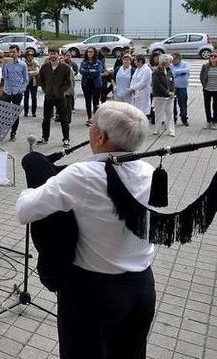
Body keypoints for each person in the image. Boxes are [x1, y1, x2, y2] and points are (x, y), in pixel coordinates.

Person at [16, 101, 156, 359]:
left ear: (101, 137)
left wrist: (33, 187)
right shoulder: (149, 171)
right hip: (141, 288)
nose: (90, 127)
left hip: (93, 292)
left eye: (92, 123)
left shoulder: (82, 175)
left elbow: (24, 210)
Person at [36, 48, 72, 146]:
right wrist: (45, 89)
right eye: (51, 54)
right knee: (46, 118)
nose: (53, 56)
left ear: (58, 54)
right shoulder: (44, 67)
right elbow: (41, 80)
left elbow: (68, 83)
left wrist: (60, 91)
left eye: (55, 54)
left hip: (60, 97)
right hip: (48, 97)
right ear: (49, 55)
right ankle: (45, 137)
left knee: (64, 119)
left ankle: (66, 139)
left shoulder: (65, 67)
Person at [1, 45, 29, 141]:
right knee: (3, 113)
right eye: (10, 52)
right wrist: (3, 65)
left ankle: (13, 133)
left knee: (15, 114)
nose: (11, 54)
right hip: (7, 91)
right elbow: (4, 77)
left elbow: (26, 79)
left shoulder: (22, 65)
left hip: (17, 92)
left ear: (18, 52)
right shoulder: (7, 64)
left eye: (13, 52)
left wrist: (21, 90)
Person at [200, 51, 217, 129]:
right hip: (207, 89)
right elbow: (202, 77)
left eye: (215, 56)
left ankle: (216, 122)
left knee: (216, 106)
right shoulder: (205, 66)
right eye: (211, 56)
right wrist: (204, 85)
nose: (213, 57)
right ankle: (209, 121)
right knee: (207, 106)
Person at [151, 54, 176, 136]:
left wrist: (173, 92)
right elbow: (158, 84)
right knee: (158, 113)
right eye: (169, 61)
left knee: (170, 113)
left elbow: (172, 82)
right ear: (164, 62)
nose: (170, 63)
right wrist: (167, 92)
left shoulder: (169, 70)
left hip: (169, 97)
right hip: (160, 96)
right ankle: (157, 129)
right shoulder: (156, 72)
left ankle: (171, 130)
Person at [79, 47, 104, 126]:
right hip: (86, 84)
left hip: (96, 84)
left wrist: (87, 71)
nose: (90, 53)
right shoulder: (84, 62)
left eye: (91, 52)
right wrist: (90, 71)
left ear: (94, 53)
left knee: (96, 102)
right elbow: (81, 71)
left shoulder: (98, 62)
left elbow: (97, 72)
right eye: (88, 52)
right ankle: (89, 118)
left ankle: (95, 119)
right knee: (88, 101)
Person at [169, 53, 190, 127]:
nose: (172, 61)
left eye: (174, 59)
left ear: (179, 58)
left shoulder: (185, 64)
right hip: (173, 87)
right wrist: (180, 72)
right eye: (172, 59)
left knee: (183, 104)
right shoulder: (170, 66)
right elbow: (170, 74)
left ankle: (184, 119)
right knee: (172, 104)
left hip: (182, 87)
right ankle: (173, 118)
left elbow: (186, 70)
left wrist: (175, 72)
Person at [62, 51, 79, 117]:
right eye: (66, 55)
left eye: (69, 55)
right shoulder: (62, 62)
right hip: (63, 83)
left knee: (70, 95)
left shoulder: (73, 63)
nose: (68, 57)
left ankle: (72, 107)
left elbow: (76, 71)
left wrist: (73, 74)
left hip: (71, 81)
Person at [23, 52, 40, 117]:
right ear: (26, 56)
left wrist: (28, 73)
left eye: (31, 55)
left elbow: (37, 72)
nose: (30, 56)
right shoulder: (23, 63)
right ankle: (26, 112)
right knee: (26, 97)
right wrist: (32, 72)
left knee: (34, 97)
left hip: (34, 82)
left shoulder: (36, 62)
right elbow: (23, 73)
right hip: (26, 83)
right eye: (28, 55)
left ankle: (33, 112)